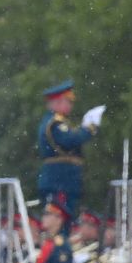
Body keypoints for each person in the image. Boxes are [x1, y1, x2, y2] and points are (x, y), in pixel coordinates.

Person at [35, 80, 104, 223]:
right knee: (60, 220)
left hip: (63, 180)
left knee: (65, 220)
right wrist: (89, 128)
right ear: (58, 102)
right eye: (68, 101)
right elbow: (71, 140)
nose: (70, 105)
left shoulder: (58, 122)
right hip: (60, 180)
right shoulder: (55, 123)